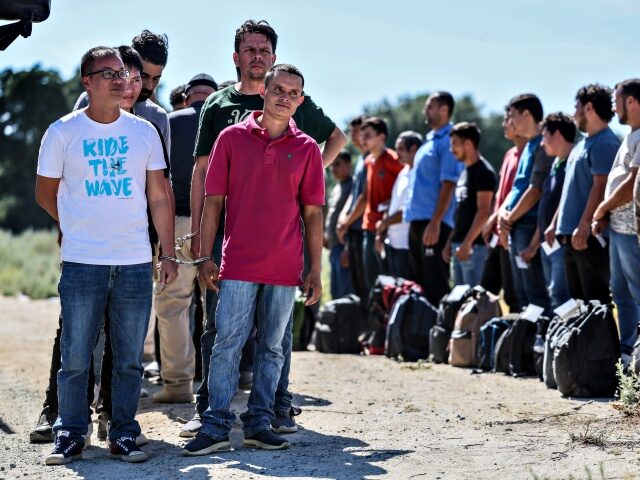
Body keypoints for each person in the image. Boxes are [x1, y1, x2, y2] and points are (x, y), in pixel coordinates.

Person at [183, 19, 346, 438]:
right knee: (222, 335)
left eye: (264, 50)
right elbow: (207, 183)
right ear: (238, 58)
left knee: (275, 343)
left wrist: (306, 177)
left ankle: (270, 412)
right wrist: (203, 246)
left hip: (283, 254)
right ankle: (212, 417)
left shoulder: (306, 145)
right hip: (232, 248)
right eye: (250, 50)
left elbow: (315, 207)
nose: (285, 97)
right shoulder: (223, 118)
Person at [35, 46, 177, 465]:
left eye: (123, 73)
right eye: (109, 73)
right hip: (82, 262)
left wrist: (167, 252)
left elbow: (159, 197)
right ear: (87, 82)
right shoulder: (61, 132)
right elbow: (45, 193)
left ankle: (124, 433)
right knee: (76, 355)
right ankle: (70, 432)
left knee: (130, 358)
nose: (121, 80)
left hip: (133, 261)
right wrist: (78, 224)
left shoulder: (144, 133)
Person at [153, 74, 217, 404]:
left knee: (174, 304)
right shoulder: (226, 124)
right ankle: (222, 383)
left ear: (187, 96)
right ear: (214, 94)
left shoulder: (170, 121)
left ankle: (179, 384)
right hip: (219, 223)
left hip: (178, 222)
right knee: (219, 307)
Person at [549, 84, 618, 305]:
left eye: (576, 107)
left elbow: (601, 186)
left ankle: (603, 341)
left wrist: (585, 223)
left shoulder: (605, 142)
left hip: (588, 237)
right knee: (577, 303)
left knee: (595, 301)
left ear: (589, 107)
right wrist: (555, 223)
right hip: (571, 234)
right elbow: (571, 188)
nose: (573, 113)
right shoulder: (581, 145)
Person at [592, 79, 639, 363]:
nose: (613, 107)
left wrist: (601, 209)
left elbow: (633, 183)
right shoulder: (630, 136)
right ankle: (628, 352)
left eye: (616, 100)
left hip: (633, 231)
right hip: (618, 229)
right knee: (621, 294)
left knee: (636, 293)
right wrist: (607, 213)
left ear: (631, 102)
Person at [403, 92, 463, 306]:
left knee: (435, 282)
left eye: (430, 107)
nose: (425, 111)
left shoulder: (448, 140)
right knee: (417, 282)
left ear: (444, 109)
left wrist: (436, 222)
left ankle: (441, 334)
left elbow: (449, 183)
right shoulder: (429, 140)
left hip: (433, 224)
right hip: (418, 222)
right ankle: (421, 333)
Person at [498, 94, 552, 314]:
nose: (510, 122)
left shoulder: (542, 145)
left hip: (528, 224)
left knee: (534, 291)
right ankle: (526, 340)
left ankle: (539, 340)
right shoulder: (529, 146)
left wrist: (509, 218)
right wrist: (503, 216)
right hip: (515, 225)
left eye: (512, 116)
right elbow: (516, 188)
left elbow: (535, 189)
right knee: (520, 291)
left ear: (527, 115)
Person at [337, 117, 403, 288]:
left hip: (386, 230)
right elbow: (364, 197)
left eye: (367, 135)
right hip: (368, 228)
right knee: (371, 285)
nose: (362, 139)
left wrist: (391, 207)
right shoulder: (368, 161)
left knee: (388, 284)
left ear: (381, 137)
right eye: (361, 135)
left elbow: (405, 190)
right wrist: (346, 222)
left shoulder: (394, 160)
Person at [480, 109, 523, 312]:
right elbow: (501, 194)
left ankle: (516, 340)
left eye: (508, 120)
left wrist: (495, 218)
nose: (505, 124)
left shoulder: (529, 153)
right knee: (484, 290)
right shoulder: (509, 154)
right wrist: (491, 219)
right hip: (497, 232)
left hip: (511, 229)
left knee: (513, 294)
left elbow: (517, 194)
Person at [444, 122, 497, 287]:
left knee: (473, 302)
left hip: (474, 248)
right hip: (459, 245)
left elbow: (483, 211)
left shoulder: (484, 172)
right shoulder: (465, 172)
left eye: (455, 144)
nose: (451, 149)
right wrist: (449, 243)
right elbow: (461, 212)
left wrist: (467, 243)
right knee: (459, 301)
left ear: (468, 144)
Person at [534, 113, 575, 309]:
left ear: (557, 134)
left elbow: (568, 197)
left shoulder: (572, 162)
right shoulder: (555, 165)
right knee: (553, 294)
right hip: (547, 241)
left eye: (544, 137)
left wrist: (552, 225)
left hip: (560, 240)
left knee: (561, 295)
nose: (542, 144)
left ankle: (567, 339)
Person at [375, 131, 423, 279]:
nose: (397, 153)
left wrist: (383, 224)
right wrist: (382, 231)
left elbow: (409, 209)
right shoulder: (404, 171)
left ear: (414, 149)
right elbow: (395, 203)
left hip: (407, 245)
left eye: (401, 149)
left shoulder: (420, 173)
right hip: (393, 242)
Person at [337, 116, 369, 304]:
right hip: (354, 230)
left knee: (366, 282)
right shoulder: (361, 160)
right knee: (358, 283)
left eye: (357, 130)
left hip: (364, 230)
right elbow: (355, 195)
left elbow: (365, 197)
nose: (354, 135)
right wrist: (344, 218)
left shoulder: (371, 160)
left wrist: (346, 222)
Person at [325, 151, 354, 299]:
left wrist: (348, 248)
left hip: (344, 248)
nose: (333, 169)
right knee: (335, 291)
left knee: (345, 292)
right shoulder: (337, 188)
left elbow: (353, 220)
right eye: (332, 165)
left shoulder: (353, 186)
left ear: (349, 166)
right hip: (334, 247)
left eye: (337, 164)